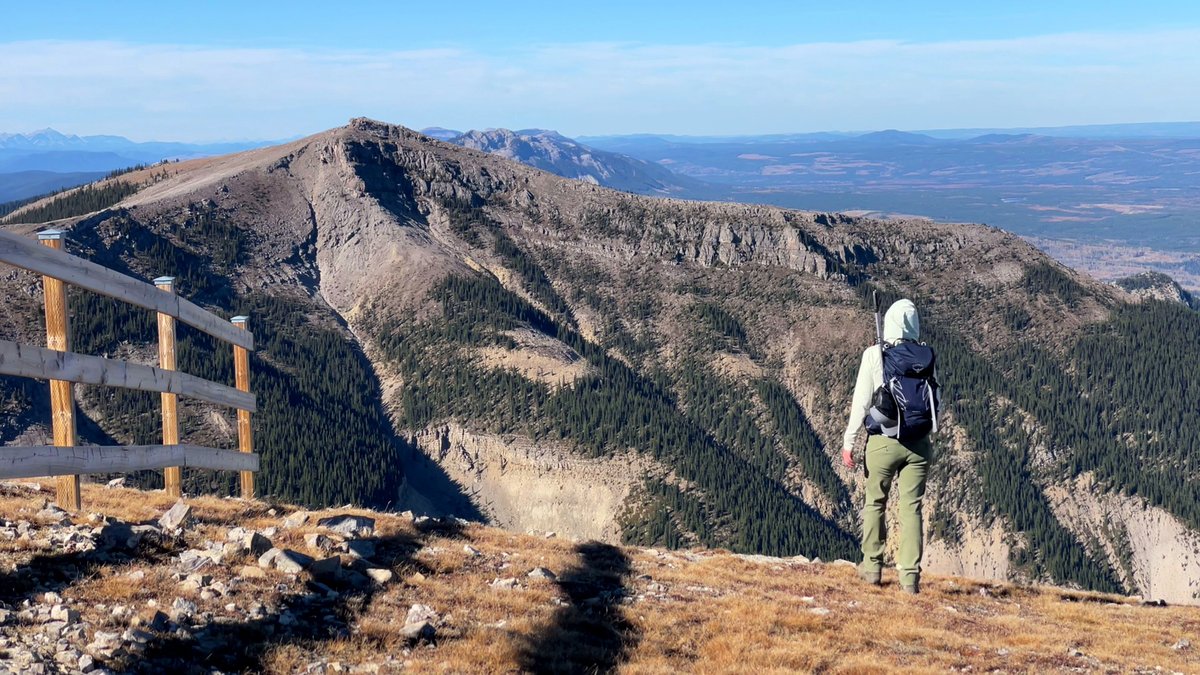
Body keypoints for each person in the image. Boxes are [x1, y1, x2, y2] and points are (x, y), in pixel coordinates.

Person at [841, 298, 937, 594]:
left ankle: (872, 568)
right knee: (912, 509)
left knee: (875, 503)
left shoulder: (875, 354)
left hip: (883, 442)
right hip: (918, 444)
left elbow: (861, 401)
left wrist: (849, 441)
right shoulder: (926, 357)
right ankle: (909, 579)